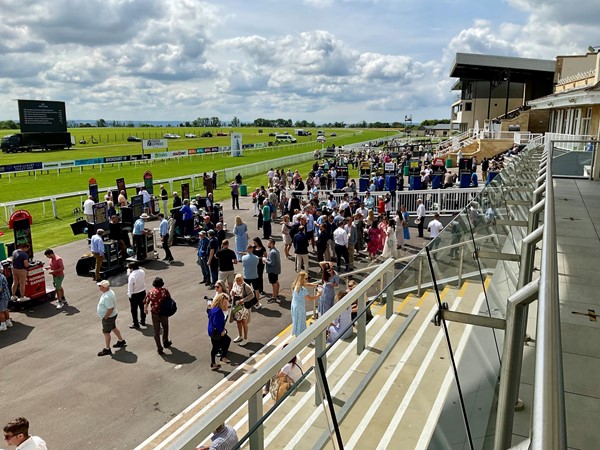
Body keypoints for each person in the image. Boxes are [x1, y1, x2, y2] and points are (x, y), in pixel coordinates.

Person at [96, 279, 126, 356]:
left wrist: (106, 317)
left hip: (109, 317)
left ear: (105, 287)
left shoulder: (107, 297)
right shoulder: (109, 292)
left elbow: (110, 308)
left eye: (101, 286)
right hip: (113, 315)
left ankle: (107, 349)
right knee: (113, 328)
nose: (99, 288)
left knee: (106, 332)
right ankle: (121, 341)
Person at [143, 277, 172, 355]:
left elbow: (146, 301)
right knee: (165, 327)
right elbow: (169, 299)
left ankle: (159, 348)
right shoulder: (164, 291)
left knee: (156, 330)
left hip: (155, 313)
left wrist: (145, 309)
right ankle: (165, 341)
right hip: (164, 312)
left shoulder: (151, 292)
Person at [290, 271, 319, 337]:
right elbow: (310, 299)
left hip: (294, 306)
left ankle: (297, 335)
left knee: (296, 322)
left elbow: (307, 284)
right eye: (306, 279)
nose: (307, 280)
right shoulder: (302, 289)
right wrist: (318, 295)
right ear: (302, 279)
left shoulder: (295, 284)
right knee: (300, 323)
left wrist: (316, 285)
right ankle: (300, 337)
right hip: (300, 308)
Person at [208, 292, 232, 370]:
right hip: (216, 332)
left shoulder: (214, 309)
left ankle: (219, 360)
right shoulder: (218, 311)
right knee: (216, 347)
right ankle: (217, 361)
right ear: (220, 302)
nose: (226, 304)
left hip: (212, 331)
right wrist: (222, 330)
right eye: (224, 302)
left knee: (220, 344)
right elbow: (216, 323)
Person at [229, 274, 254, 346]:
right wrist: (232, 293)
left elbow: (252, 295)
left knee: (244, 323)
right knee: (238, 322)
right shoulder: (235, 284)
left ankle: (245, 338)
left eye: (239, 279)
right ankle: (240, 336)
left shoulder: (246, 286)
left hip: (244, 307)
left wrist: (243, 300)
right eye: (237, 280)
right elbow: (231, 293)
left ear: (242, 279)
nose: (238, 281)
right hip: (237, 307)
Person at [241, 244, 262, 308]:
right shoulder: (256, 258)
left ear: (247, 249)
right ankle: (257, 303)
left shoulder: (243, 258)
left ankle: (247, 302)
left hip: (246, 276)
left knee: (246, 290)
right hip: (254, 275)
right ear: (252, 249)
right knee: (256, 290)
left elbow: (243, 264)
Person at [127, 262, 147, 329]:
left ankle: (135, 323)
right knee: (142, 307)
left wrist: (130, 295)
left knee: (134, 310)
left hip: (135, 294)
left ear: (132, 268)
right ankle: (143, 320)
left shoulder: (132, 275)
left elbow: (130, 286)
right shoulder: (142, 271)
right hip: (142, 292)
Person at [0, 266, 13, 331]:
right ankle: (8, 322)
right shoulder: (2, 276)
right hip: (6, 296)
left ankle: (3, 325)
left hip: (1, 297)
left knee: (1, 312)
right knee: (5, 309)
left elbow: (0, 289)